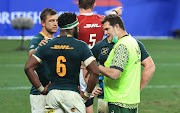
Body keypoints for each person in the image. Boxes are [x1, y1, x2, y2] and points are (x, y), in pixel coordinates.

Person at [24, 12, 100, 113]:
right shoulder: (81, 46)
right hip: (72, 95)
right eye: (77, 27)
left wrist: (42, 90)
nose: (79, 30)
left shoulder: (47, 44)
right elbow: (95, 72)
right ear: (73, 28)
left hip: (52, 96)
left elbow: (28, 68)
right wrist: (87, 94)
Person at [91, 33, 155, 113]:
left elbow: (150, 66)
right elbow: (87, 66)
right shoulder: (100, 46)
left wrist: (138, 89)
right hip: (104, 97)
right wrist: (91, 87)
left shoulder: (134, 44)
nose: (106, 32)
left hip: (125, 99)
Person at [77, 0, 122, 112]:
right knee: (89, 98)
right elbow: (112, 16)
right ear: (94, 5)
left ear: (78, 4)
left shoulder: (76, 21)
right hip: (95, 64)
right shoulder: (101, 19)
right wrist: (116, 11)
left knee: (81, 100)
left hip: (79, 65)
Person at [98, 14, 141, 113]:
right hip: (131, 100)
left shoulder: (122, 45)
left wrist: (97, 67)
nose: (105, 33)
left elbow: (114, 73)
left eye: (107, 29)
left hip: (119, 101)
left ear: (117, 26)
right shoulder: (133, 42)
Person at [27, 8, 58, 113]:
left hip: (53, 93)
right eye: (51, 21)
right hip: (39, 94)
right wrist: (38, 49)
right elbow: (31, 54)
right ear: (42, 23)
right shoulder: (38, 39)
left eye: (56, 20)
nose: (55, 24)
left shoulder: (55, 40)